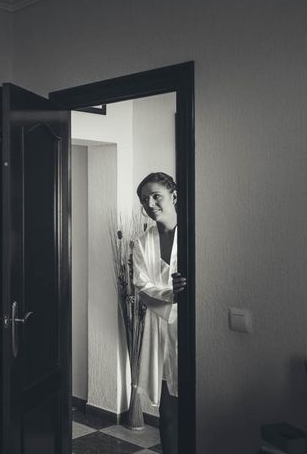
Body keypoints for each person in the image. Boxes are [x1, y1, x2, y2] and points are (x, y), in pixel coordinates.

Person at [132, 172, 186, 454]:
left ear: (173, 196)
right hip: (159, 332)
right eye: (144, 199)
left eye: (156, 196)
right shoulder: (142, 243)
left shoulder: (192, 235)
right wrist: (171, 294)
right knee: (167, 412)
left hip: (189, 331)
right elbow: (142, 288)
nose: (150, 203)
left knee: (193, 407)